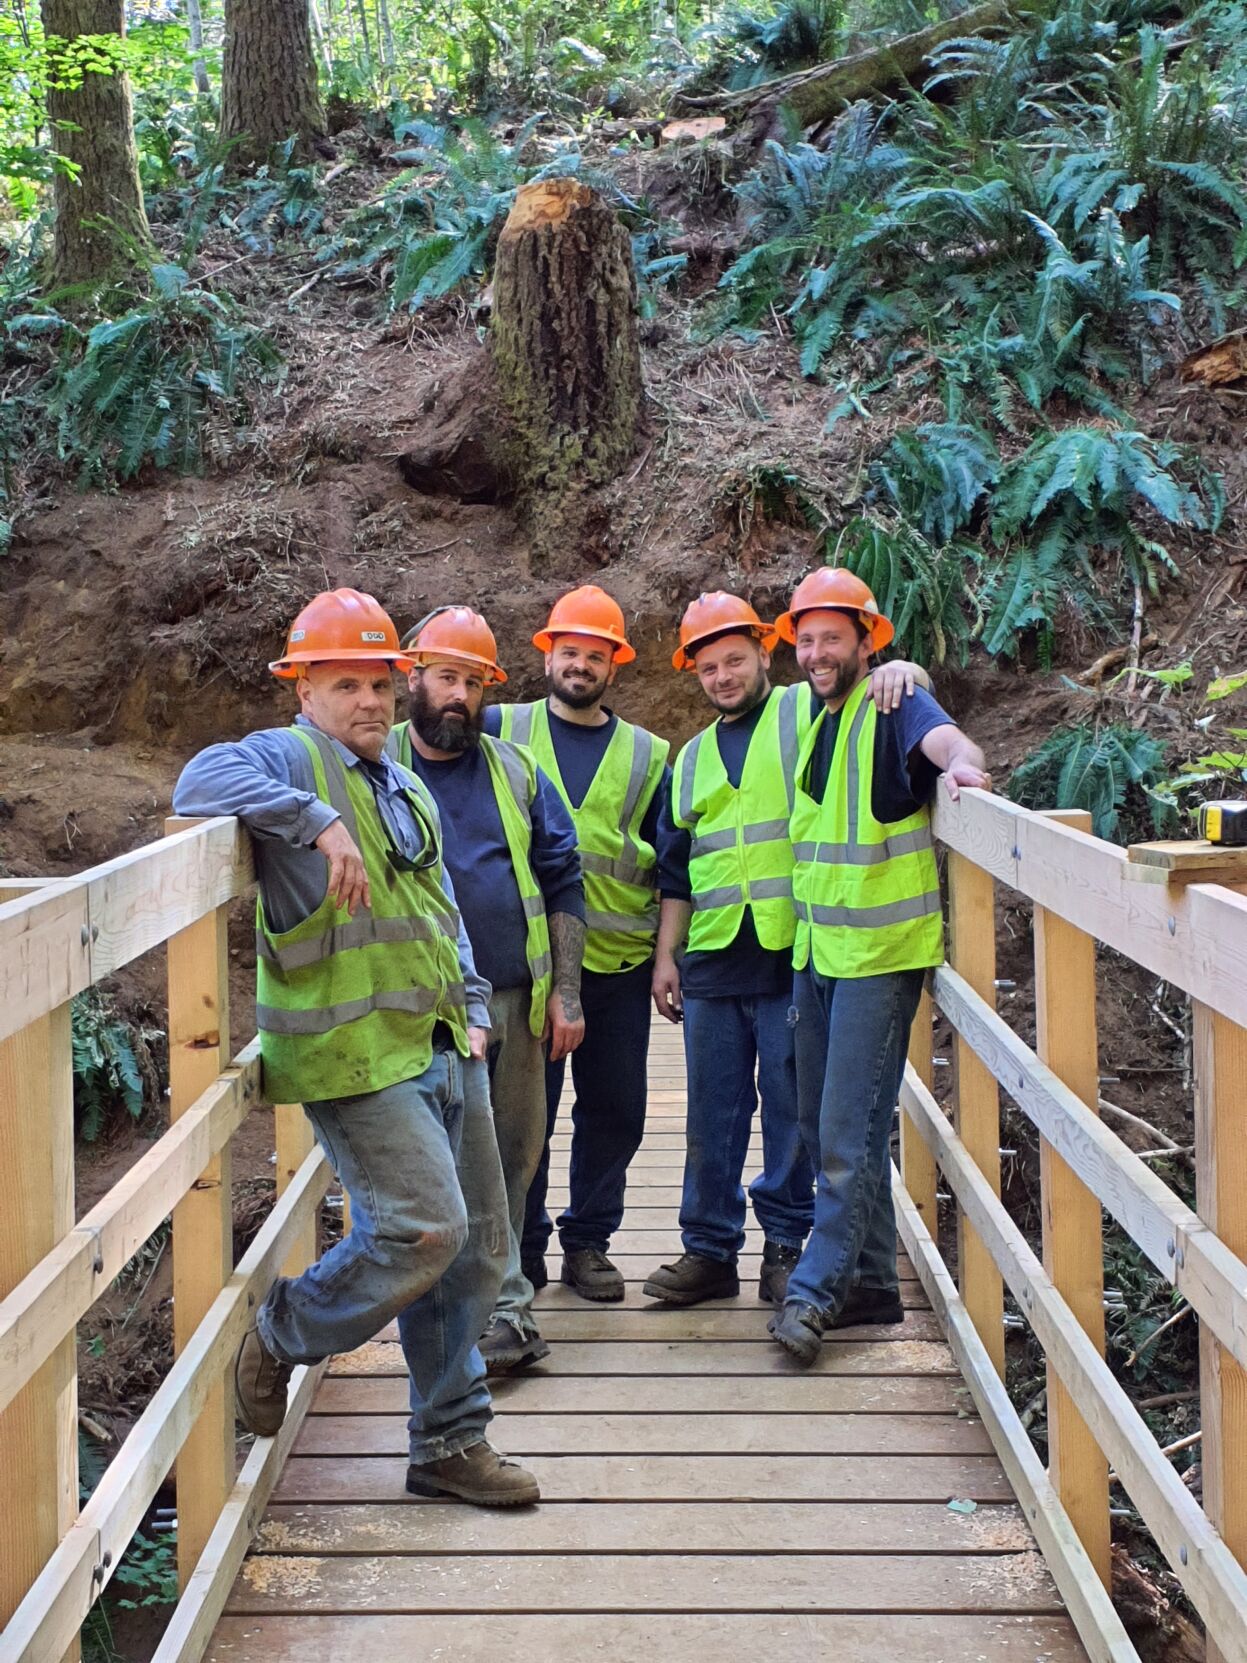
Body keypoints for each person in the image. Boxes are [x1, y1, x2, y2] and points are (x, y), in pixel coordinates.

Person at [172, 588, 538, 1506]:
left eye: (380, 682)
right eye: (345, 684)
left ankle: (450, 1443)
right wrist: (313, 819)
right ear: (303, 689)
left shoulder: (404, 779)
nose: (370, 701)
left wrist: (473, 1004)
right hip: (351, 1055)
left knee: (481, 1250)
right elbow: (196, 782)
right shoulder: (290, 757)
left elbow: (436, 904)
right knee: (423, 1229)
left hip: (440, 1039)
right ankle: (285, 1328)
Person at [647, 592, 927, 1309]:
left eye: (733, 659)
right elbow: (676, 867)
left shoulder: (804, 709)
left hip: (789, 949)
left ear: (764, 654)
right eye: (707, 667)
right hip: (711, 956)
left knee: (791, 1113)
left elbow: (870, 695)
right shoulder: (688, 759)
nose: (722, 677)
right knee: (710, 1115)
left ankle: (783, 1246)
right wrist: (665, 956)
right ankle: (707, 1249)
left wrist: (908, 672)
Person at [765, 569, 988, 1368]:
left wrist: (961, 766)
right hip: (822, 951)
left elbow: (947, 741)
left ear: (868, 640)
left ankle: (816, 1290)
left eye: (832, 637)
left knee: (845, 1128)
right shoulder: (823, 714)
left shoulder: (894, 703)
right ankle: (869, 1282)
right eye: (807, 639)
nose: (817, 652)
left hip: (879, 957)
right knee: (821, 1119)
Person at [387, 606, 586, 1374]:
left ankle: (501, 1314)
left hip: (512, 998)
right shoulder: (375, 767)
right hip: (420, 1010)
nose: (459, 696)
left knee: (510, 1160)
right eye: (446, 677)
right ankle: (464, 1315)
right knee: (438, 1170)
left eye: (473, 682)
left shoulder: (514, 769)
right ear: (414, 677)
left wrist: (565, 992)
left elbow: (563, 878)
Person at [490, 586, 671, 1303]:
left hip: (617, 967)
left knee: (616, 1109)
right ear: (548, 654)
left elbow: (672, 863)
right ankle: (524, 1247)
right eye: (570, 651)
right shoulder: (499, 727)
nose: (581, 664)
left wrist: (666, 954)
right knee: (524, 1113)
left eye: (595, 655)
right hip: (529, 967)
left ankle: (587, 1242)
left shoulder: (648, 754)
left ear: (614, 665)